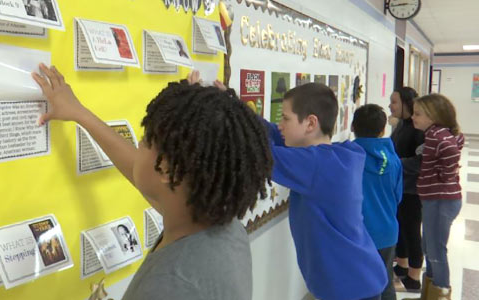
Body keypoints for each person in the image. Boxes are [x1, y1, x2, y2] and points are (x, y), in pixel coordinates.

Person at [32, 66, 273, 300]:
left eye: (146, 141)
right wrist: (80, 113)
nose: (138, 145)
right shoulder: (223, 227)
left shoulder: (169, 287)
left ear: (167, 169)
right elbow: (142, 170)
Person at [260, 83, 387, 300]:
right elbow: (273, 133)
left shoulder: (316, 165)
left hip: (351, 289)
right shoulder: (337, 155)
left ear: (310, 123)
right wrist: (233, 103)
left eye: (286, 119)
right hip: (357, 280)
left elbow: (260, 153)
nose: (280, 125)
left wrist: (227, 111)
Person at [411, 94, 464, 300]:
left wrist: (444, 173)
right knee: (429, 246)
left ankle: (440, 293)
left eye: (418, 114)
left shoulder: (438, 135)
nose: (413, 117)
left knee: (436, 250)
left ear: (434, 117)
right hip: (434, 198)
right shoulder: (434, 134)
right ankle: (430, 292)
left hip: (442, 199)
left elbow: (450, 151)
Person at [352, 104, 403, 300]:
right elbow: (397, 197)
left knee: (362, 286)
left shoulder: (348, 159)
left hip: (360, 234)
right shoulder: (393, 159)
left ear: (353, 127)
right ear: (382, 130)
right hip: (388, 232)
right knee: (385, 282)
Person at [388, 87, 425, 292]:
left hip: (413, 189)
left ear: (406, 103)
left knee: (412, 230)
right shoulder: (402, 124)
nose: (390, 106)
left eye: (394, 102)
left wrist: (396, 163)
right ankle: (401, 265)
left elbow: (420, 162)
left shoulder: (419, 129)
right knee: (401, 226)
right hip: (401, 186)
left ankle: (414, 277)